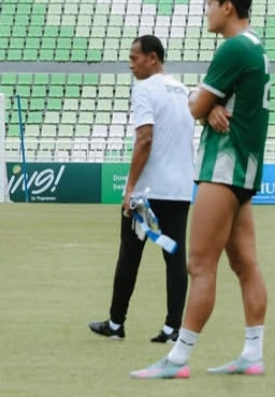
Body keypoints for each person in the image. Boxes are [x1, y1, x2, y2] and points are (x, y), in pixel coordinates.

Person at [131, 0, 270, 379]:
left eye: (210, 3)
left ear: (227, 6)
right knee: (246, 264)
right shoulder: (257, 49)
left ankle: (178, 359)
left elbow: (194, 105)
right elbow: (207, 103)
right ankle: (253, 353)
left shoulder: (232, 48)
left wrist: (204, 104)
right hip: (245, 170)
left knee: (199, 264)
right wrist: (208, 104)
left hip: (221, 168)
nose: (207, 10)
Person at [89, 35, 195, 343]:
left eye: (134, 57)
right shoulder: (183, 90)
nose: (130, 63)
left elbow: (145, 138)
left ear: (153, 58)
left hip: (147, 193)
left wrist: (130, 187)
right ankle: (173, 327)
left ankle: (116, 323)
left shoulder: (145, 89)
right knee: (174, 256)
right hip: (178, 189)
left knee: (129, 255)